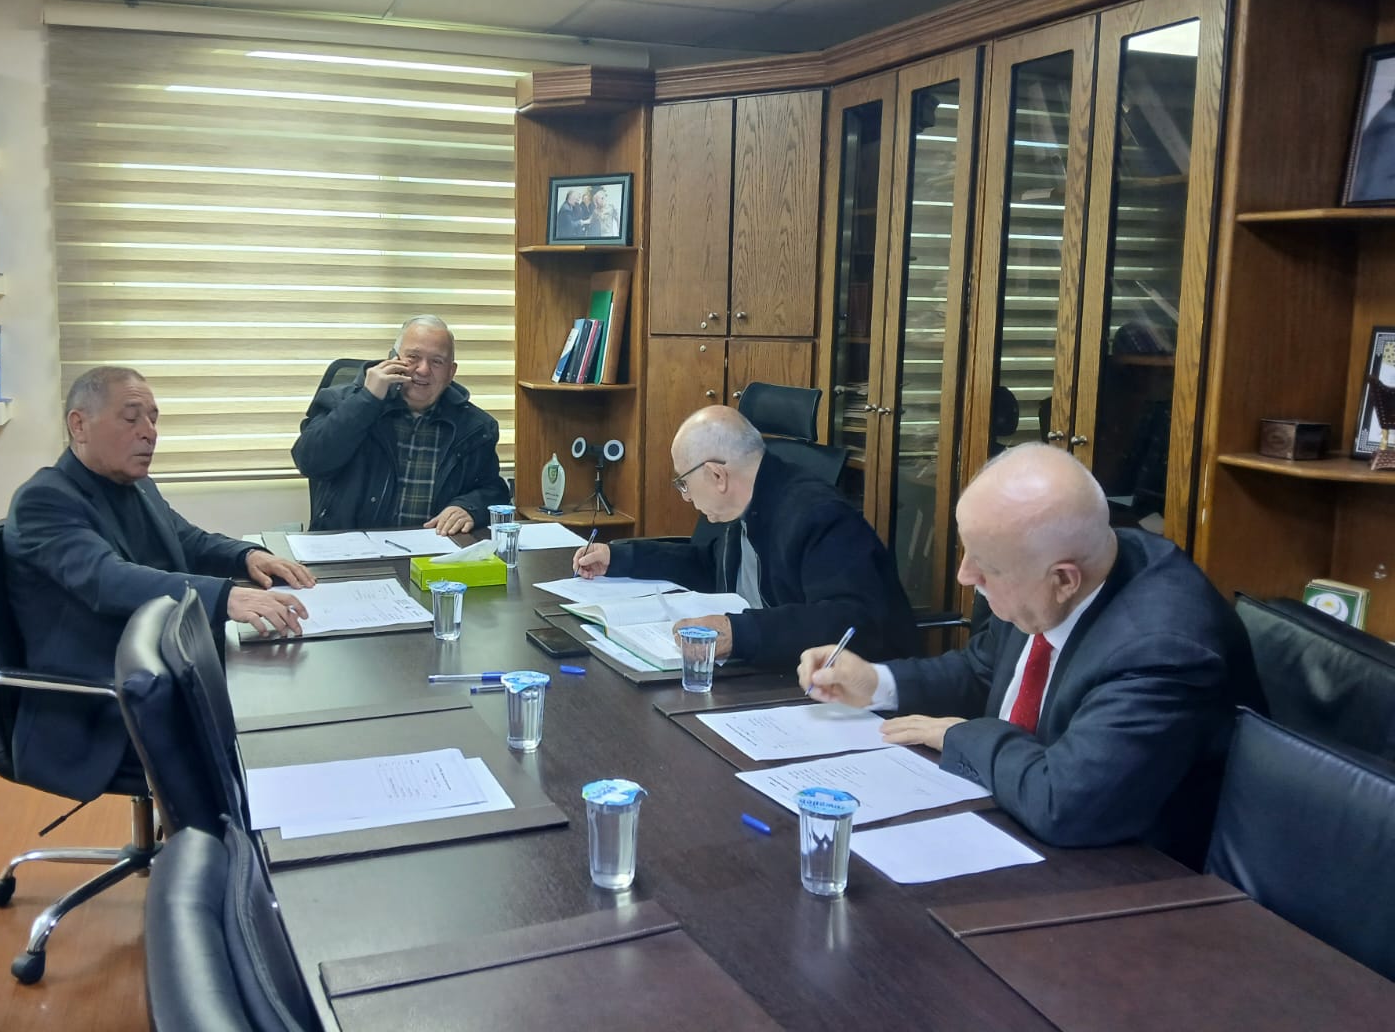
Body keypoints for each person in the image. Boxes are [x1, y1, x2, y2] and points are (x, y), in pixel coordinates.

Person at [798, 442, 1259, 867]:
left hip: (1132, 876)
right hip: (1016, 822)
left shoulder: (1163, 649)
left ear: (1064, 580)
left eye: (986, 566)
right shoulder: (1051, 566)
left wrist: (961, 735)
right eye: (968, 552)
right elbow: (983, 670)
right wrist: (877, 683)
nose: (965, 575)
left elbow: (1065, 803)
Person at [6, 366, 316, 803]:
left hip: (167, 668)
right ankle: (224, 839)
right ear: (79, 425)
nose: (149, 433)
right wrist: (225, 597)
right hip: (103, 703)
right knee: (265, 737)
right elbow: (107, 580)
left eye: (153, 419)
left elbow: (186, 540)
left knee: (291, 701)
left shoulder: (135, 485)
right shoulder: (46, 500)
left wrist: (247, 555)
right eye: (131, 418)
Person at [573, 405, 915, 670]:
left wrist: (740, 633)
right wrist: (620, 558)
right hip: (770, 674)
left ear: (717, 475)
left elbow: (852, 621)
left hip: (841, 697)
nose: (686, 497)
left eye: (683, 483)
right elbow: (711, 565)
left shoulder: (818, 515)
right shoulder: (751, 502)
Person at [292, 315, 509, 534]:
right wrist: (367, 400)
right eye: (413, 357)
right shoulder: (340, 401)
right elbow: (310, 462)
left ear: (451, 372)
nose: (423, 370)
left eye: (437, 361)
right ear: (393, 359)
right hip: (350, 545)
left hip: (433, 547)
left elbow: (493, 490)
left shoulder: (475, 427)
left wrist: (469, 508)